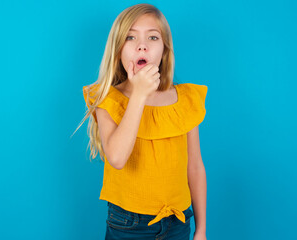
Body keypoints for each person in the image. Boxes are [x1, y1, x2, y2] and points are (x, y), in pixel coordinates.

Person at [75, 3, 208, 240]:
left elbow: (195, 167)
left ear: (164, 51)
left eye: (153, 37)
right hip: (129, 225)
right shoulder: (108, 98)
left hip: (178, 222)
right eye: (130, 37)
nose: (142, 45)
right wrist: (138, 95)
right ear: (118, 50)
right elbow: (116, 158)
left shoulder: (185, 100)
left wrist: (201, 229)